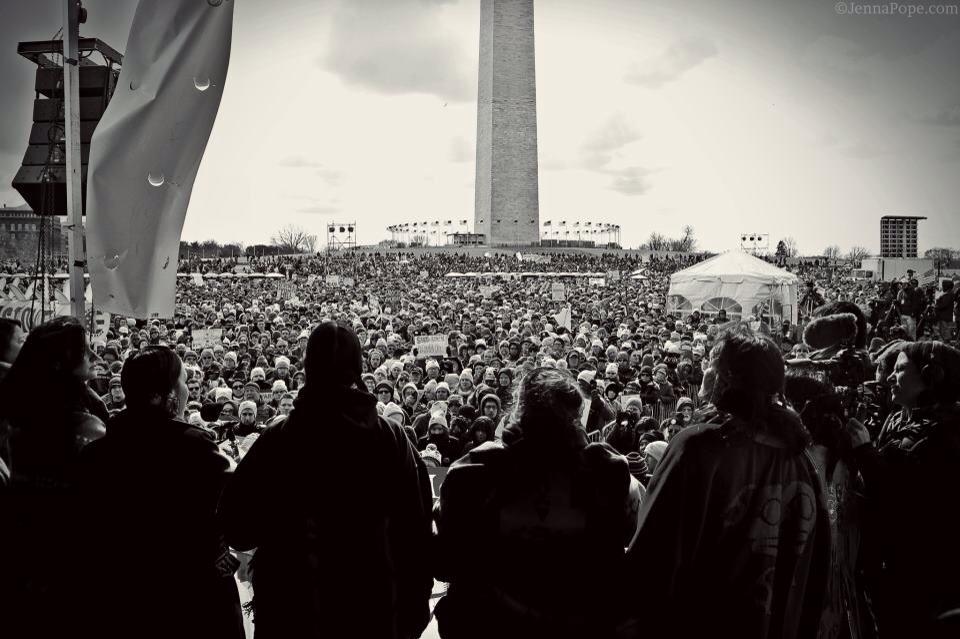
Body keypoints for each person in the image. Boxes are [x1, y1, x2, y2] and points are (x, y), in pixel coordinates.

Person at [219, 322, 433, 639]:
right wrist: (411, 611)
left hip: (293, 611)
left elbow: (238, 528)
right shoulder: (392, 439)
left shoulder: (278, 439)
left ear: (308, 366)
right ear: (357, 368)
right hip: (371, 611)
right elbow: (415, 534)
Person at [622, 331, 830, 639]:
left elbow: (653, 555)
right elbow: (819, 566)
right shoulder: (800, 460)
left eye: (710, 362)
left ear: (727, 377)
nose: (704, 370)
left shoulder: (698, 448)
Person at [434, 367, 640, 639]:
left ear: (519, 411)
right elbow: (628, 539)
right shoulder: (608, 471)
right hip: (581, 625)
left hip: (492, 625)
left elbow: (444, 561)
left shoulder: (475, 470)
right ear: (576, 416)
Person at [74, 346, 243, 639]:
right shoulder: (195, 449)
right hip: (189, 600)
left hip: (118, 600)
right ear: (162, 394)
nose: (188, 389)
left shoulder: (94, 454)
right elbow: (237, 510)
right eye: (182, 381)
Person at [0, 317, 106, 638]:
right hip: (75, 575)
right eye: (86, 352)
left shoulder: (14, 414)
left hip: (24, 571)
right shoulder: (86, 430)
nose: (95, 358)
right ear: (64, 363)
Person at [845, 341, 960, 638]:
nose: (889, 378)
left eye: (899, 370)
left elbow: (902, 498)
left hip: (920, 572)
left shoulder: (946, 432)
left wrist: (864, 450)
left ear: (929, 376)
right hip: (887, 564)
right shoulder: (898, 419)